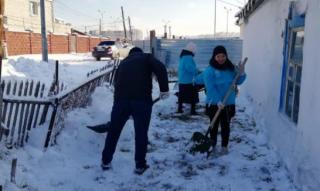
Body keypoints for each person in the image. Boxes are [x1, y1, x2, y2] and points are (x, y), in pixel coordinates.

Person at [101, 47, 169, 175]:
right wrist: (164, 89)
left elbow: (116, 83)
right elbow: (160, 68)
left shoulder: (123, 62)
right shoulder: (146, 58)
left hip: (121, 102)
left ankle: (105, 161)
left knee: (113, 132)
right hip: (141, 102)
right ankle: (140, 165)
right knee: (141, 133)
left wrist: (125, 106)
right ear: (140, 53)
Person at [195, 45, 246, 155]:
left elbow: (238, 81)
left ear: (226, 56)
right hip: (214, 103)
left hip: (228, 103)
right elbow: (210, 87)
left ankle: (224, 147)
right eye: (218, 56)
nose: (221, 58)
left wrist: (241, 73)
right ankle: (212, 145)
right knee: (213, 125)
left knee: (226, 126)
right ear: (214, 57)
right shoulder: (209, 71)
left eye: (223, 56)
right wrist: (218, 101)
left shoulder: (231, 68)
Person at [177, 42, 199, 115]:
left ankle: (179, 108)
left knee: (182, 95)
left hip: (182, 80)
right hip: (189, 80)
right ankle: (193, 111)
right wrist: (196, 71)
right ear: (192, 50)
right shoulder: (188, 57)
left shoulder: (183, 57)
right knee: (193, 95)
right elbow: (190, 68)